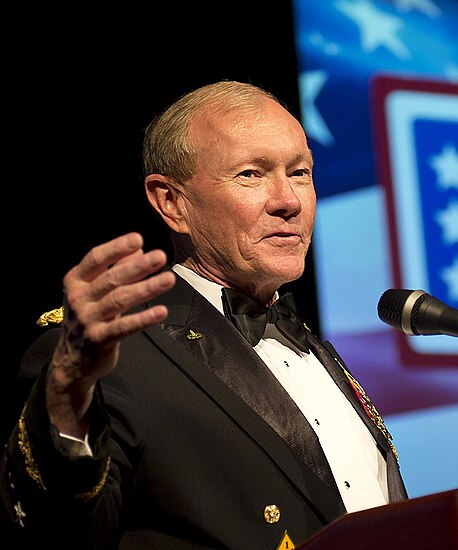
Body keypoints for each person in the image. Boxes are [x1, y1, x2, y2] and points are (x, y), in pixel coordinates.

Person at [1, 80, 408, 548]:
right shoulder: (109, 350)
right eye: (251, 175)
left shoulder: (312, 347)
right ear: (171, 202)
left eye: (299, 173)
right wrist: (67, 393)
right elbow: (57, 530)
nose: (289, 201)